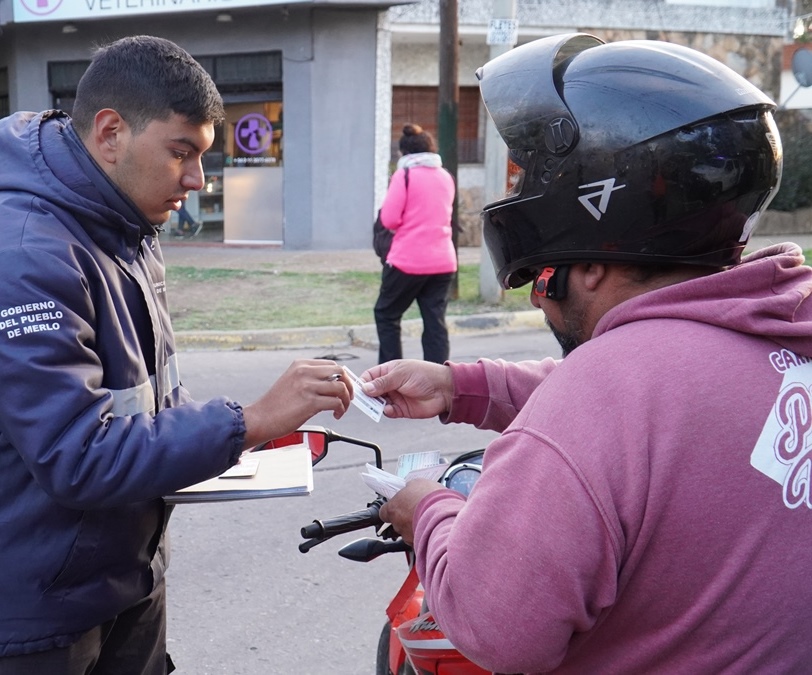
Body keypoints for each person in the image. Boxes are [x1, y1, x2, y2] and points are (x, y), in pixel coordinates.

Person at [361, 34, 812, 673]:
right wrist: (459, 384)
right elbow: (655, 404)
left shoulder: (610, 390)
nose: (539, 303)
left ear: (593, 262)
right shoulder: (775, 330)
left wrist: (426, 509)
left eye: (542, 279)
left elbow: (497, 629)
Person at [0, 36, 351, 674]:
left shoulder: (127, 224)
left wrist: (243, 439)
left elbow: (150, 398)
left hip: (126, 576)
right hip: (42, 612)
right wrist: (248, 420)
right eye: (180, 153)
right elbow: (76, 455)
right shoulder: (27, 252)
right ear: (110, 133)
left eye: (202, 156)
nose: (196, 179)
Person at [374, 123, 457, 365]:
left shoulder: (405, 175)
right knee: (435, 322)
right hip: (443, 263)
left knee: (387, 315)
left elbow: (389, 218)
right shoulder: (446, 176)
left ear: (404, 153)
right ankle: (438, 380)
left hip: (407, 262)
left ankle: (391, 377)